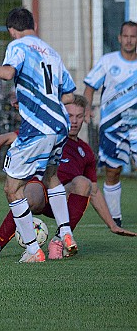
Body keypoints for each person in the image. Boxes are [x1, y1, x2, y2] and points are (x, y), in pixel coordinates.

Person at [0, 7, 77, 263]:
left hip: (37, 129)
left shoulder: (19, 46)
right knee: (52, 176)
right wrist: (34, 99)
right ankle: (65, 231)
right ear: (32, 24)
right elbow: (67, 94)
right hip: (60, 124)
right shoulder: (51, 52)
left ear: (12, 30)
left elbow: (9, 73)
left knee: (12, 189)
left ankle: (33, 250)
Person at [0, 95, 136, 261]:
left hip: (62, 199)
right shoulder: (46, 134)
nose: (74, 121)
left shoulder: (85, 151)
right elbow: (5, 138)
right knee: (27, 192)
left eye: (79, 116)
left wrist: (112, 225)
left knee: (83, 183)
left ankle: (58, 241)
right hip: (39, 193)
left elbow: (94, 190)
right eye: (70, 116)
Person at [83, 21, 137, 227]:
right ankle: (115, 217)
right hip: (113, 127)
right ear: (120, 38)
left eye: (133, 36)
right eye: (126, 36)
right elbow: (89, 87)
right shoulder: (108, 61)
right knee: (112, 171)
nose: (129, 40)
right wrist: (87, 108)